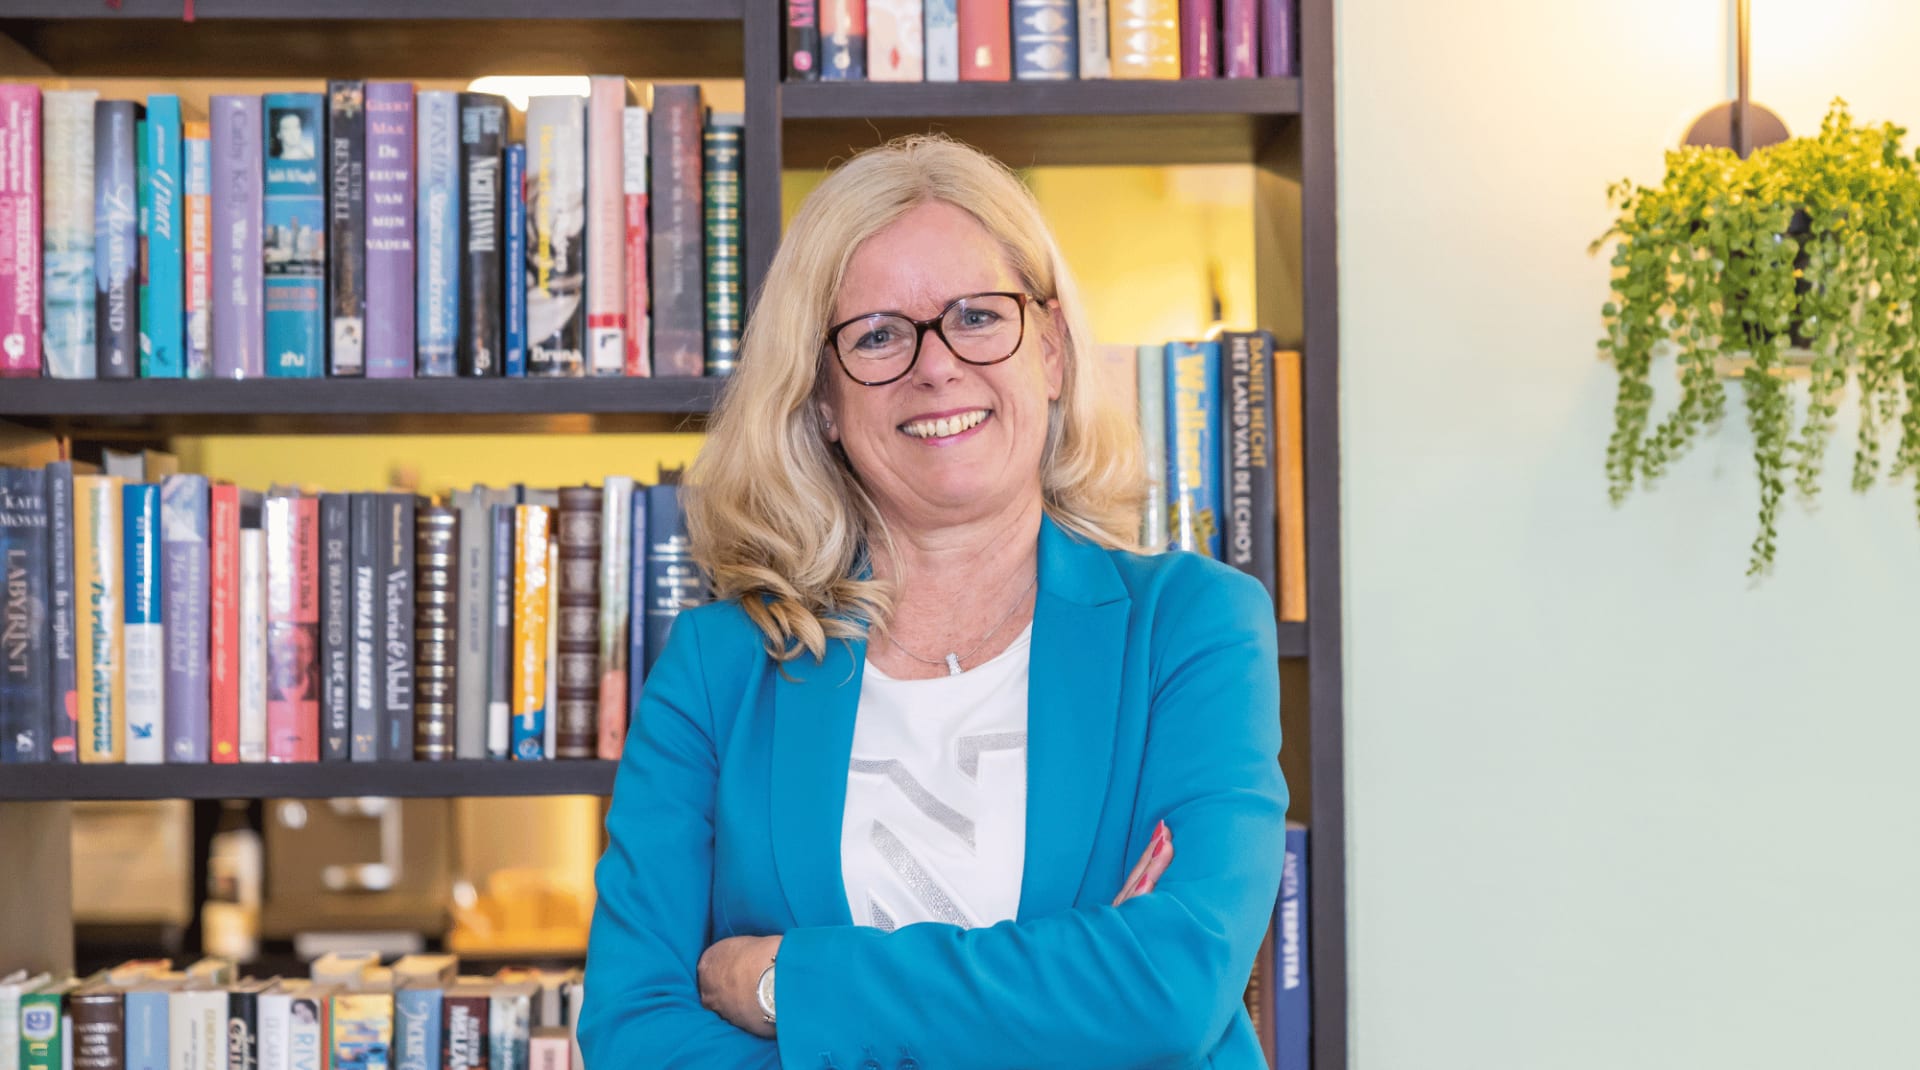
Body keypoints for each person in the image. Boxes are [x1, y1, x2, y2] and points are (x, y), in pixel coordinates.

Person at [580, 135, 1288, 1069]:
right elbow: (634, 1033)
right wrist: (1073, 1001)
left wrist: (791, 984)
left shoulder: (1192, 628)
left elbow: (1168, 989)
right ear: (822, 399)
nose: (937, 366)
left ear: (1052, 353)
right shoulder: (719, 670)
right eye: (878, 335)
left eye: (978, 317)